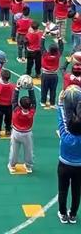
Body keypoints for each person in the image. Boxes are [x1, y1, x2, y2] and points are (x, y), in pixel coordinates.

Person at [57, 93, 81, 224]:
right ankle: (73, 215)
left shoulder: (65, 136)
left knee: (62, 190)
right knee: (77, 191)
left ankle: (62, 214)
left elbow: (61, 119)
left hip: (64, 166)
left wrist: (60, 102)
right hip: (79, 167)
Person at [8, 85, 36, 174]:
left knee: (14, 150)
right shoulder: (32, 112)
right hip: (27, 134)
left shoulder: (16, 110)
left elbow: (13, 100)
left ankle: (12, 166)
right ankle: (28, 167)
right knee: (29, 150)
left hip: (16, 132)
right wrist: (31, 89)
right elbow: (34, 102)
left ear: (20, 105)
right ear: (30, 105)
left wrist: (17, 89)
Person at [0, 68, 15, 137]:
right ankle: (8, 130)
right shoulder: (12, 86)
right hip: (9, 104)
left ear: (1, 77)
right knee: (8, 117)